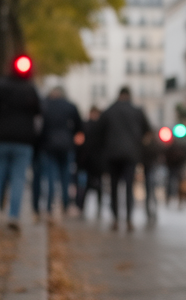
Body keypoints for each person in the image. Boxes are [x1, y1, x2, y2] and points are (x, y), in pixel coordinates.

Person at [0, 57, 42, 230]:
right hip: (23, 141)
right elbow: (39, 114)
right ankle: (13, 215)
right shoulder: (31, 89)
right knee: (18, 179)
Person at [95, 86, 150, 231]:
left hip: (112, 154)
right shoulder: (137, 111)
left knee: (113, 187)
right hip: (131, 155)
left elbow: (98, 133)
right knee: (129, 186)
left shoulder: (109, 111)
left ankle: (115, 219)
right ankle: (129, 219)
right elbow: (147, 131)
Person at [38, 86, 82, 218]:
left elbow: (42, 126)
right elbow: (78, 126)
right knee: (65, 177)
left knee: (51, 177)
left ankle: (49, 206)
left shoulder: (46, 105)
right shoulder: (70, 106)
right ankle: (66, 204)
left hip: (49, 145)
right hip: (66, 145)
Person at [75, 107, 104, 216]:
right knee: (98, 185)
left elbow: (79, 142)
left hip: (85, 160)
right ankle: (98, 207)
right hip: (97, 161)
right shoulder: (100, 127)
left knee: (83, 185)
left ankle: (81, 206)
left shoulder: (84, 125)